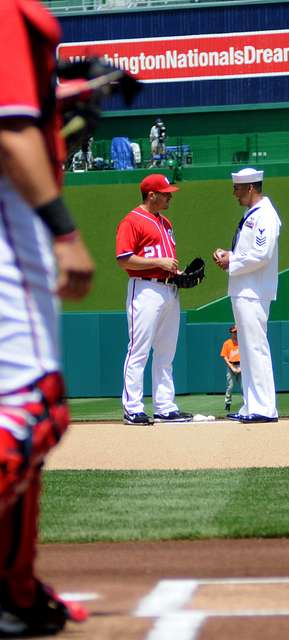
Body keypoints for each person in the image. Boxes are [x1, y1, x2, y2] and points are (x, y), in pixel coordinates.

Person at [0, 0, 95, 636]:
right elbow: (9, 129)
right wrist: (65, 233)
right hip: (14, 229)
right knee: (32, 409)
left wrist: (69, 92)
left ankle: (15, 593)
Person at [116, 173, 193, 425]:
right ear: (152, 195)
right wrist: (158, 262)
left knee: (166, 352)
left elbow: (165, 259)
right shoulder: (132, 221)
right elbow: (124, 258)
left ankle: (165, 406)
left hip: (169, 289)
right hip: (145, 289)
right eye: (165, 192)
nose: (170, 195)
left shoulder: (166, 222)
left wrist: (179, 274)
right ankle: (133, 408)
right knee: (138, 350)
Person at [213, 167, 281, 423]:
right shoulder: (252, 213)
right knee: (249, 350)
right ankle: (252, 405)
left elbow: (262, 255)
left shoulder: (265, 215)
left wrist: (233, 260)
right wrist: (229, 256)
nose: (234, 193)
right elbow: (249, 251)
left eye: (237, 188)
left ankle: (264, 408)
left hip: (254, 290)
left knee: (255, 348)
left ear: (250, 187)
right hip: (244, 288)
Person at [220, 325, 242, 412]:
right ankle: (227, 403)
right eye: (234, 332)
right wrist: (232, 367)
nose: (235, 333)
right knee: (230, 386)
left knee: (243, 387)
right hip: (231, 366)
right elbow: (224, 356)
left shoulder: (242, 342)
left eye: (236, 331)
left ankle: (247, 402)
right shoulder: (227, 343)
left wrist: (241, 368)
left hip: (241, 365)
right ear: (231, 333)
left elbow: (246, 356)